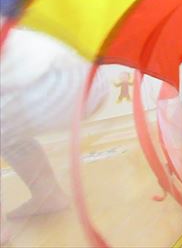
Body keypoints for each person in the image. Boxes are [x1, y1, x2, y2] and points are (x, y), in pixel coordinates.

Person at [0, 18, 113, 244]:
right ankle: (48, 194)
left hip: (57, 82)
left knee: (6, 128)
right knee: (8, 134)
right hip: (86, 75)